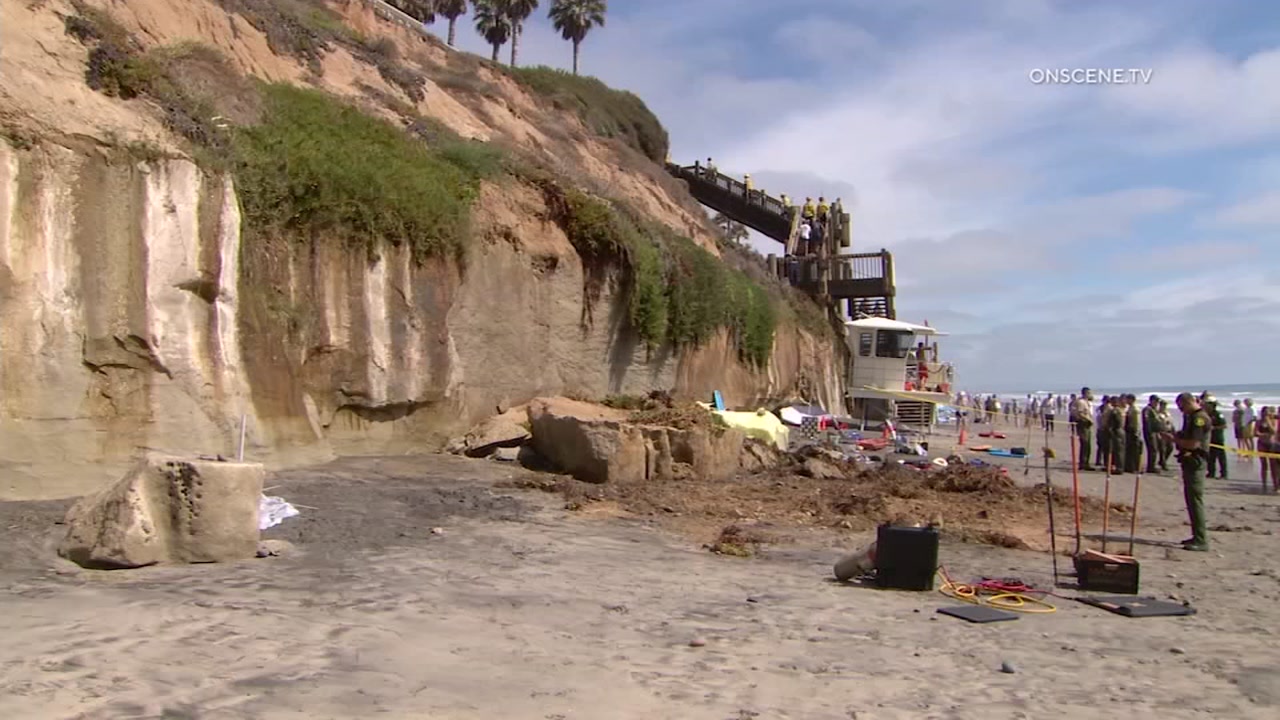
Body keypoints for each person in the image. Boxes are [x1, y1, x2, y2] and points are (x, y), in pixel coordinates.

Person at [1164, 392, 1211, 551]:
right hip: (1189, 461)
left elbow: (1193, 444)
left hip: (1196, 461)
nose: (1181, 410)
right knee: (1191, 500)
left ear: (1189, 402)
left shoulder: (1199, 418)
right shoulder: (1191, 418)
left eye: (1182, 407)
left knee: (1195, 500)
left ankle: (1201, 539)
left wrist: (1174, 440)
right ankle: (1196, 535)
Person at [1205, 395, 1228, 480]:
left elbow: (1224, 425)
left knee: (1221, 457)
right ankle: (1211, 472)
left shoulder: (1218, 414)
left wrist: (1214, 428)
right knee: (1210, 457)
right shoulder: (1206, 414)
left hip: (1218, 438)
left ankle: (1224, 474)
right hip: (1209, 438)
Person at [1071, 387, 1095, 471]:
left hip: (1087, 424)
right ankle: (1083, 463)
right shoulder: (1081, 402)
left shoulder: (1087, 402)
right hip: (1083, 424)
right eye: (1089, 393)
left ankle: (1086, 463)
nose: (1090, 394)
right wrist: (1089, 419)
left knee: (1088, 445)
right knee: (1085, 444)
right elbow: (1080, 413)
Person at [1256, 407, 1278, 493]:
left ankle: (1275, 485)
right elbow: (1256, 432)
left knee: (1273, 466)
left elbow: (1274, 431)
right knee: (1264, 465)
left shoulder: (1273, 421)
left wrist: (1268, 422)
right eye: (1264, 413)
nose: (1266, 414)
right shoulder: (1259, 421)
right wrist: (1264, 435)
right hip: (1261, 444)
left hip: (1271, 444)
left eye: (1267, 413)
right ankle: (1264, 484)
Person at [1142, 394, 1162, 473]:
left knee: (1155, 449)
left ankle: (1152, 465)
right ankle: (1151, 467)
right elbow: (1147, 422)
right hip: (1150, 432)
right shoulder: (1147, 409)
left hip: (1155, 432)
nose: (1157, 403)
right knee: (1152, 449)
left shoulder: (1154, 410)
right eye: (1156, 401)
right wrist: (1150, 432)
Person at [1123, 394, 1142, 473]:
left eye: (1128, 399)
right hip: (1130, 431)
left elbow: (1137, 422)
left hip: (1134, 431)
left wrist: (1137, 432)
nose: (1126, 401)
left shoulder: (1135, 409)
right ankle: (1130, 466)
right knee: (1130, 450)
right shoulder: (1130, 408)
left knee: (1135, 451)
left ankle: (1135, 467)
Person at [1156, 399, 1174, 470]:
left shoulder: (1168, 414)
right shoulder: (1158, 414)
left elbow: (1171, 423)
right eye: (1163, 405)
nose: (1164, 407)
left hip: (1169, 432)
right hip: (1162, 432)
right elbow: (1157, 424)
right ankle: (1163, 464)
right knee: (1162, 449)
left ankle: (1162, 461)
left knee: (1170, 448)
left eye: (1165, 405)